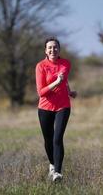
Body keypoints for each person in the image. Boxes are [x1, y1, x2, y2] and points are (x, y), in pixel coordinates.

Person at [35, 37, 77, 182]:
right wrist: (56, 82)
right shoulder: (41, 66)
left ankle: (57, 173)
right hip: (45, 107)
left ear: (59, 49)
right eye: (50, 47)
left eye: (55, 47)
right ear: (45, 51)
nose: (53, 50)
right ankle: (52, 164)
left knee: (57, 138)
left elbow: (64, 80)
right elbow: (41, 92)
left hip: (63, 106)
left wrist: (69, 91)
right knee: (48, 139)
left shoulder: (66, 63)